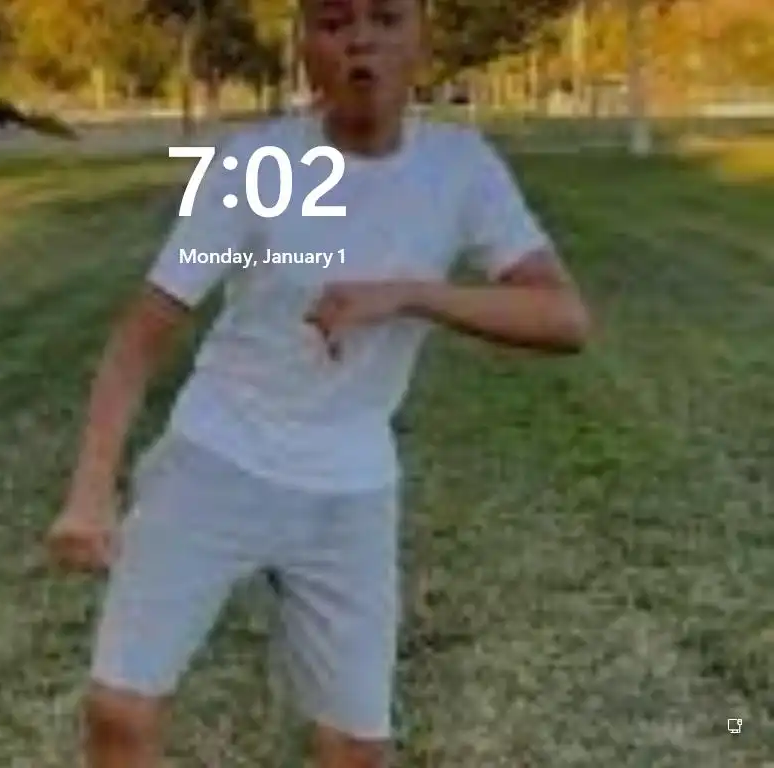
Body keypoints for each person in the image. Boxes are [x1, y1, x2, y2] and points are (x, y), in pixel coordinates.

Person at [46, 0, 592, 765]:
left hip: (351, 486)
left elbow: (564, 318)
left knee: (357, 750)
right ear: (305, 46)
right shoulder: (255, 164)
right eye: (334, 23)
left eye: (386, 18)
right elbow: (142, 333)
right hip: (215, 457)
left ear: (421, 37)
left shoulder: (461, 168)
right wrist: (90, 489)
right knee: (119, 714)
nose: (361, 39)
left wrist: (409, 293)